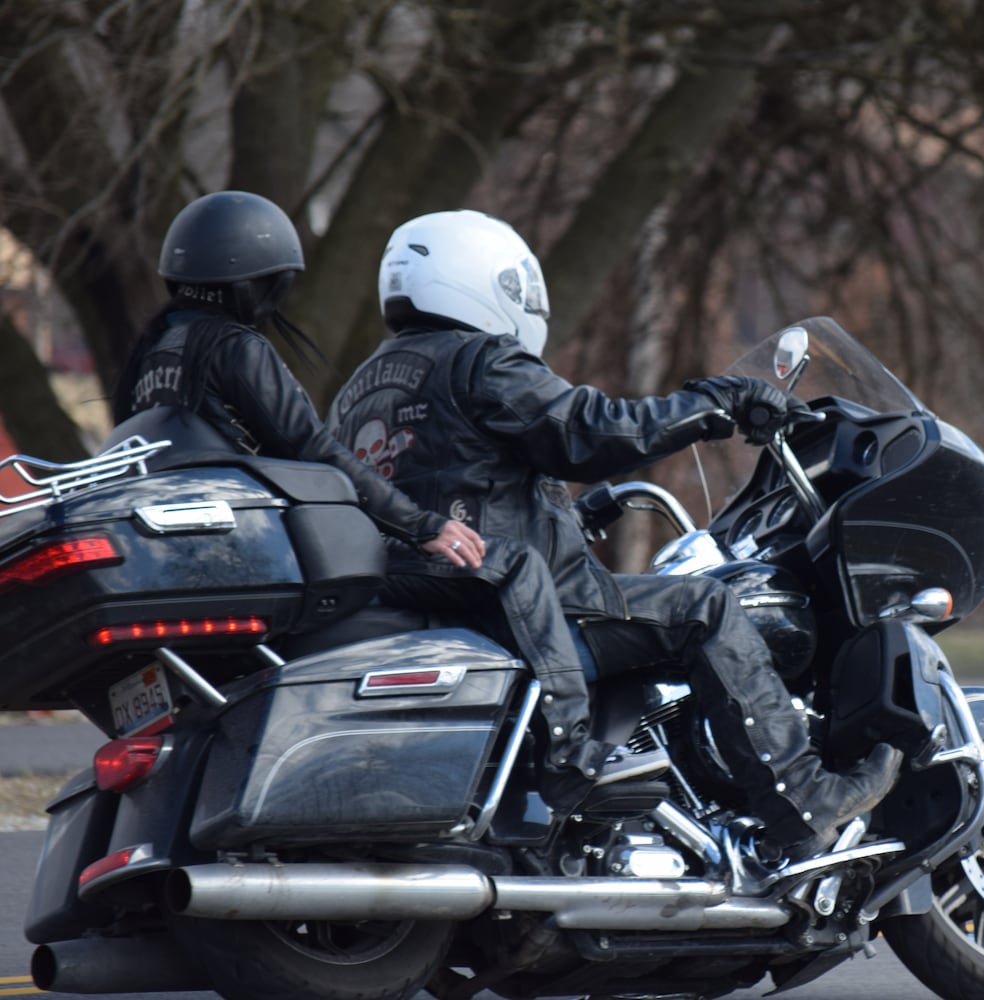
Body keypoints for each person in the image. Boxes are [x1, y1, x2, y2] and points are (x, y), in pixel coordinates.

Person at [328, 209, 903, 858]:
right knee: (705, 606)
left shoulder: (358, 389)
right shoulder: (480, 360)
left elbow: (456, 481)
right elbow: (593, 432)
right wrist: (722, 401)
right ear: (480, 282)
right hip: (524, 604)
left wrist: (569, 517)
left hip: (426, 597)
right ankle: (804, 797)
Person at [112, 192, 612, 808]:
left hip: (199, 552)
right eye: (278, 284)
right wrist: (421, 524)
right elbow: (316, 453)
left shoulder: (151, 356)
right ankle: (569, 750)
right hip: (272, 549)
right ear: (252, 281)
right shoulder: (232, 346)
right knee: (511, 562)